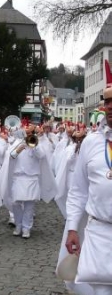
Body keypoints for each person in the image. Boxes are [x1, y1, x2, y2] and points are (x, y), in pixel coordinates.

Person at [64, 70, 112, 294]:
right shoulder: (92, 142)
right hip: (99, 230)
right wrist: (73, 227)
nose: (111, 106)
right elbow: (78, 190)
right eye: (108, 101)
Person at [1, 122, 56, 239]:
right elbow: (10, 157)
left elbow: (42, 156)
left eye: (30, 133)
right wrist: (18, 149)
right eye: (26, 133)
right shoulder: (16, 143)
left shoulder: (36, 143)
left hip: (31, 178)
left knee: (29, 206)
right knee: (15, 204)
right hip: (18, 178)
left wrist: (34, 147)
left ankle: (26, 228)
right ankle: (18, 225)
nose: (28, 135)